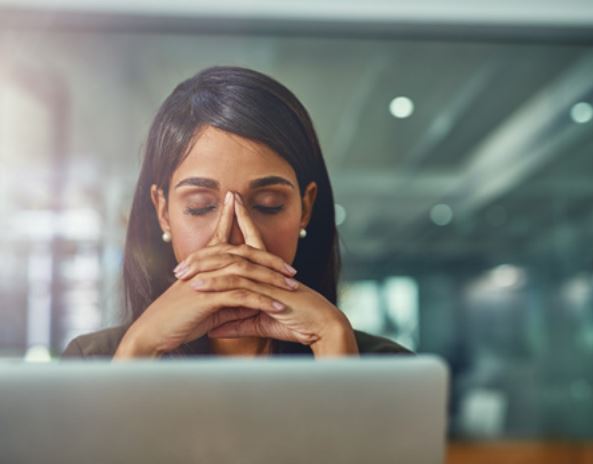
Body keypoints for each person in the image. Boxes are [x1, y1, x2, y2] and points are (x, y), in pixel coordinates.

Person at [62, 66, 411, 359]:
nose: (235, 237)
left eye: (268, 205)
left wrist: (332, 339)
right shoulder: (95, 359)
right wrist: (141, 347)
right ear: (164, 212)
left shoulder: (384, 364)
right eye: (201, 207)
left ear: (305, 209)